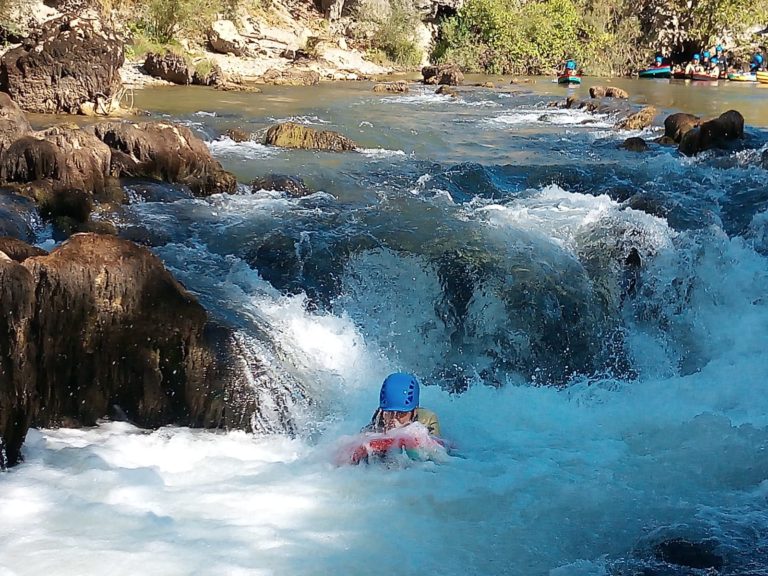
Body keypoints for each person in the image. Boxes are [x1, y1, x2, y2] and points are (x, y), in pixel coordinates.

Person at [364, 372, 441, 436]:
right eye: (389, 413)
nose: (393, 419)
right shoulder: (379, 418)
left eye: (401, 414)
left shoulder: (427, 421)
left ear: (414, 412)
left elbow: (438, 450)